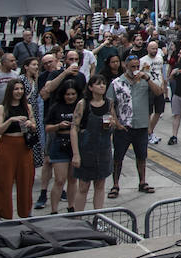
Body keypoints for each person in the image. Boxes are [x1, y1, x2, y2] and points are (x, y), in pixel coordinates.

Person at [109, 52, 161, 197]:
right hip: (124, 126)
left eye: (137, 66)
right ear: (125, 66)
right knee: (118, 157)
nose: (135, 69)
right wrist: (116, 122)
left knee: (141, 156)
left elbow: (158, 92)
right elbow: (111, 103)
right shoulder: (117, 82)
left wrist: (148, 78)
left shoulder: (144, 80)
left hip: (141, 125)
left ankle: (142, 181)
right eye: (132, 66)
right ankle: (115, 184)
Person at [0, 78, 37, 220]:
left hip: (23, 147)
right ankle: (1, 215)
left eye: (21, 89)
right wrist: (10, 120)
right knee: (3, 181)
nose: (19, 92)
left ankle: (25, 213)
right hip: (7, 145)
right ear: (10, 91)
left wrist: (31, 124)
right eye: (16, 89)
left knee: (26, 181)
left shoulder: (27, 107)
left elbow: (34, 126)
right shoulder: (2, 109)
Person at [69, 75, 115, 212]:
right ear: (90, 87)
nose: (102, 86)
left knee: (100, 184)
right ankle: (78, 219)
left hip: (103, 149)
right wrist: (76, 154)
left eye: (104, 83)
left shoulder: (109, 103)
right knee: (83, 186)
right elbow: (74, 128)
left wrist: (113, 123)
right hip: (86, 149)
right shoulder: (83, 104)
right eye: (98, 84)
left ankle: (99, 216)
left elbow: (114, 123)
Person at [43, 81, 80, 213]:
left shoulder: (80, 106)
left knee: (73, 179)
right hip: (60, 142)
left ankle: (71, 206)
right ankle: (54, 210)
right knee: (59, 179)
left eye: (73, 94)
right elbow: (47, 127)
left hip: (75, 144)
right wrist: (59, 126)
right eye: (67, 94)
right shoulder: (56, 107)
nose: (70, 97)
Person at [140, 40, 167, 145]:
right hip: (148, 88)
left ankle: (150, 131)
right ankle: (149, 133)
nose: (154, 51)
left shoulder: (160, 58)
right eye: (152, 48)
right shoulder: (143, 60)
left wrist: (163, 85)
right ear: (147, 48)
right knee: (149, 112)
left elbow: (160, 72)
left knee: (159, 110)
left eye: (156, 48)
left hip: (159, 87)